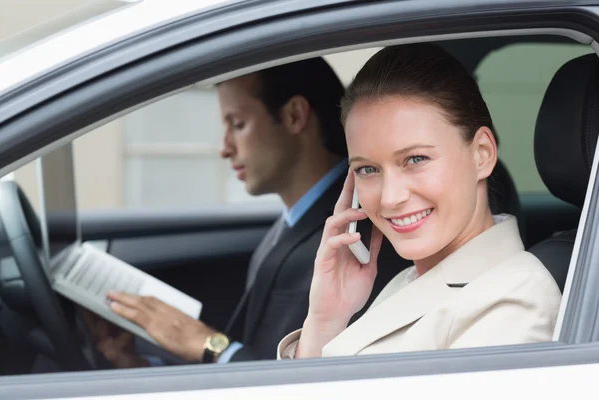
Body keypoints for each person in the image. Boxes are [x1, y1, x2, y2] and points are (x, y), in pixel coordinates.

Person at [277, 43, 562, 359]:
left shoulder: (515, 301)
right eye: (368, 169)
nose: (390, 197)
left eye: (415, 159)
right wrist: (326, 320)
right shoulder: (411, 279)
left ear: (482, 153)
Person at [84, 57, 361, 367]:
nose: (224, 148)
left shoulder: (353, 234)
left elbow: (285, 380)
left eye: (238, 125)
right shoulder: (294, 220)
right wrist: (135, 365)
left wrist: (207, 344)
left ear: (295, 115)